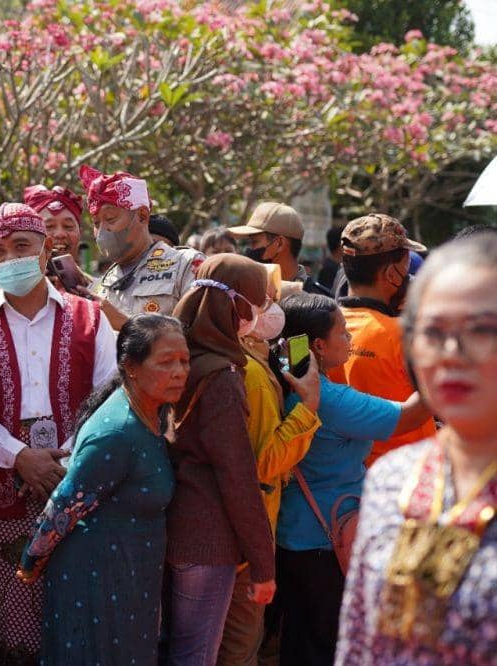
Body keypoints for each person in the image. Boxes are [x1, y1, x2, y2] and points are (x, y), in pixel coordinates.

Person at [0, 202, 117, 665]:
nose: (10, 258)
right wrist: (18, 457)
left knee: (76, 612)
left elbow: (110, 399)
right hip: (0, 485)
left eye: (22, 246)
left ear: (46, 247)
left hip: (79, 482)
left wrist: (65, 461)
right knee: (7, 619)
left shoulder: (93, 318)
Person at [336, 234, 497, 664]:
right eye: (432, 330)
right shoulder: (391, 480)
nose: (451, 353)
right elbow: (357, 641)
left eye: (480, 330)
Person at [274, 292, 434, 666]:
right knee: (326, 639)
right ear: (317, 345)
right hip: (326, 536)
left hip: (293, 530)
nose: (349, 340)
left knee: (299, 636)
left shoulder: (284, 379)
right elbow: (407, 416)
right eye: (343, 333)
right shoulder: (328, 399)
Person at [18, 313, 187, 664]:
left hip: (130, 575)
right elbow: (64, 506)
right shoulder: (116, 432)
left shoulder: (152, 412)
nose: (180, 371)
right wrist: (31, 562)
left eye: (185, 360)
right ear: (131, 367)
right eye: (166, 362)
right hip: (97, 581)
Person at [166, 254, 277, 665]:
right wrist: (264, 566)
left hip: (173, 523)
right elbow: (237, 475)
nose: (258, 316)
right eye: (255, 305)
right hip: (208, 540)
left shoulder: (178, 360)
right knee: (195, 656)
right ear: (236, 308)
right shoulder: (223, 377)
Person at [218, 265, 323, 665]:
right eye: (267, 298)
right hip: (250, 531)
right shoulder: (251, 375)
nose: (274, 308)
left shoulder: (247, 356)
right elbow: (265, 462)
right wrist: (309, 405)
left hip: (234, 529)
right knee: (240, 645)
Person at [325, 214, 436, 467]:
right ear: (391, 273)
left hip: (348, 479)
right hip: (408, 477)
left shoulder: (323, 327)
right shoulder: (403, 334)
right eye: (406, 260)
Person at [82, 164, 204, 329]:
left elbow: (202, 340)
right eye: (96, 223)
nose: (102, 231)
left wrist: (124, 324)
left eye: (110, 219)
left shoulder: (186, 265)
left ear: (142, 216)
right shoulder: (98, 287)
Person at [229, 201, 331, 296]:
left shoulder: (320, 303)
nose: (250, 249)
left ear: (280, 244)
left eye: (254, 241)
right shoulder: (243, 294)